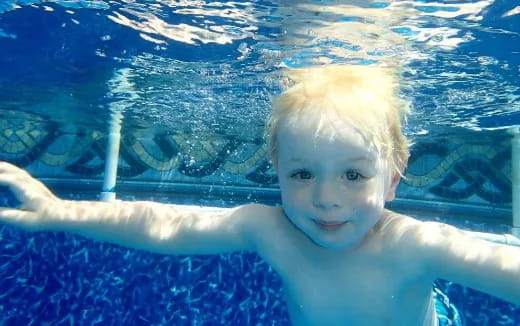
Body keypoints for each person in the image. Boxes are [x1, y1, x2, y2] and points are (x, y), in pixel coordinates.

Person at [0, 65, 518, 326]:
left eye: (354, 176)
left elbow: (497, 265)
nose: (325, 199)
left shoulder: (413, 245)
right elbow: (165, 225)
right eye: (301, 175)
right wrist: (61, 210)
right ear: (276, 170)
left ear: (395, 175)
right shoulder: (268, 229)